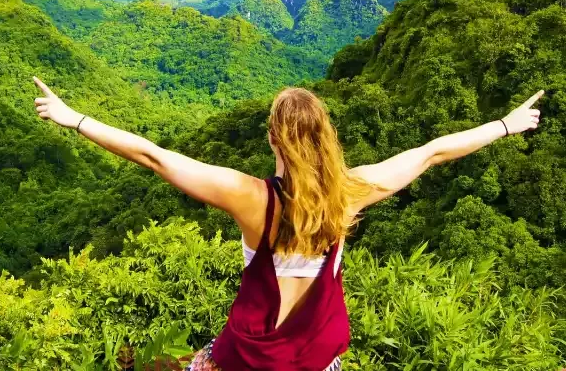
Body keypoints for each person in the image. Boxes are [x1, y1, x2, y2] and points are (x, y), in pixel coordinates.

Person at [32, 77, 544, 371]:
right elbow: (432, 152)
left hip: (252, 357)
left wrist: (71, 116)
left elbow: (155, 157)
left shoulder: (252, 199)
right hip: (318, 360)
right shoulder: (351, 193)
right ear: (324, 137)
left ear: (274, 139)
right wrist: (506, 125)